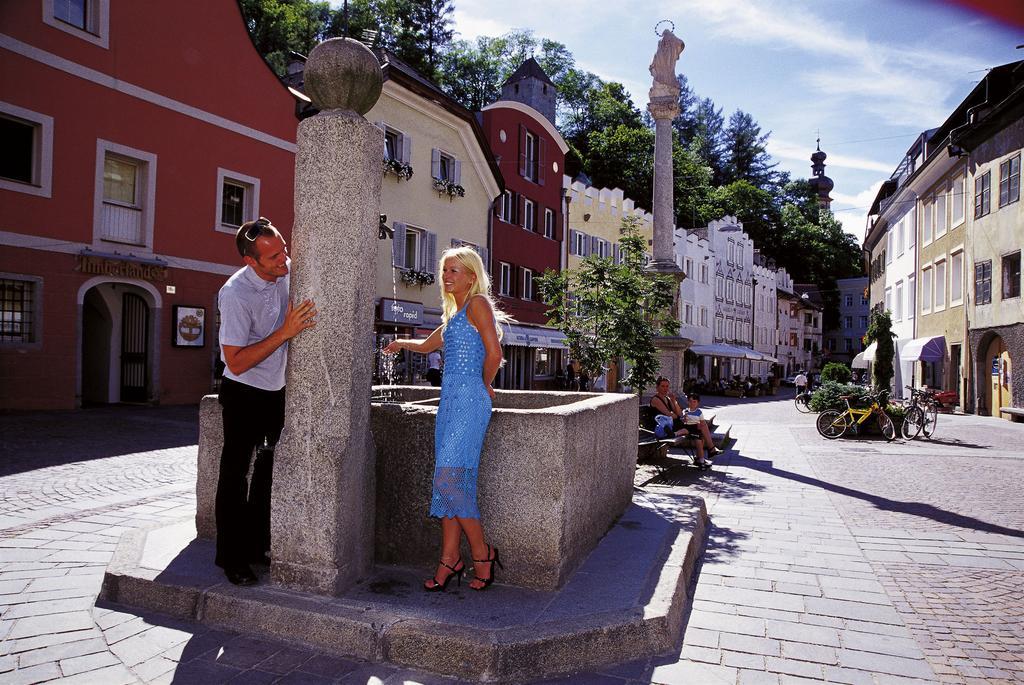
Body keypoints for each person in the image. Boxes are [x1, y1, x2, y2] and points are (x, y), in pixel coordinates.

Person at [384, 247, 508, 592]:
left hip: (469, 403)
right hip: (450, 405)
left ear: (472, 275)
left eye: (454, 270)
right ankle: (450, 558)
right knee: (451, 483)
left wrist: (483, 386)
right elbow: (427, 346)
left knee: (450, 482)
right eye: (444, 271)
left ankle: (482, 554)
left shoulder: (479, 304)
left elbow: (495, 353)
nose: (447, 276)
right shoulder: (455, 316)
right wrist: (400, 344)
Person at [216, 217, 316, 586]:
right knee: (235, 474)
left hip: (275, 392)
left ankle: (256, 546)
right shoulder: (235, 294)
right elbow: (236, 361)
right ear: (251, 262)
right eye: (274, 257)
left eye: (283, 250)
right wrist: (285, 332)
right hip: (243, 392)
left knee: (267, 470)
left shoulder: (283, 268)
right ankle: (230, 558)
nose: (284, 260)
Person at [650, 377, 711, 469]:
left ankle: (701, 458)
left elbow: (678, 413)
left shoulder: (668, 398)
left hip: (673, 425)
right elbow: (670, 415)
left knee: (699, 429)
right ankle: (703, 456)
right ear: (657, 387)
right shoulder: (656, 399)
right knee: (698, 428)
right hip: (663, 427)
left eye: (667, 386)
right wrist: (676, 415)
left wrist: (674, 401)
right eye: (662, 386)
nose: (665, 388)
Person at [683, 393, 721, 458]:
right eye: (690, 401)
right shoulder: (686, 410)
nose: (692, 403)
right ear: (687, 402)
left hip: (694, 428)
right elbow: (683, 419)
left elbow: (701, 422)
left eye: (694, 402)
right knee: (700, 436)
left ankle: (700, 457)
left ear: (698, 403)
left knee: (701, 434)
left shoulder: (698, 412)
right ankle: (708, 451)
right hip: (688, 428)